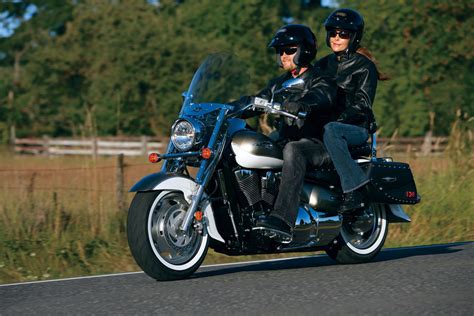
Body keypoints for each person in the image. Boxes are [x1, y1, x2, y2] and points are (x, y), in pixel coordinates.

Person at [239, 24, 337, 239]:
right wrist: (230, 108)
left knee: (294, 149)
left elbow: (323, 95)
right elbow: (257, 99)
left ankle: (283, 219)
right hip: (286, 139)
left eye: (289, 50)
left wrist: (304, 104)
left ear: (305, 50)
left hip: (317, 144)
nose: (283, 55)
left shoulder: (320, 78)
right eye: (280, 51)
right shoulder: (279, 84)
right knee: (252, 145)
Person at [317, 8, 388, 212]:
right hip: (326, 126)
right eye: (333, 33)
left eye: (343, 34)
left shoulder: (364, 67)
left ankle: (355, 189)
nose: (337, 38)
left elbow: (363, 104)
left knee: (332, 129)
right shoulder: (322, 65)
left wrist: (340, 118)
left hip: (354, 128)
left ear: (354, 37)